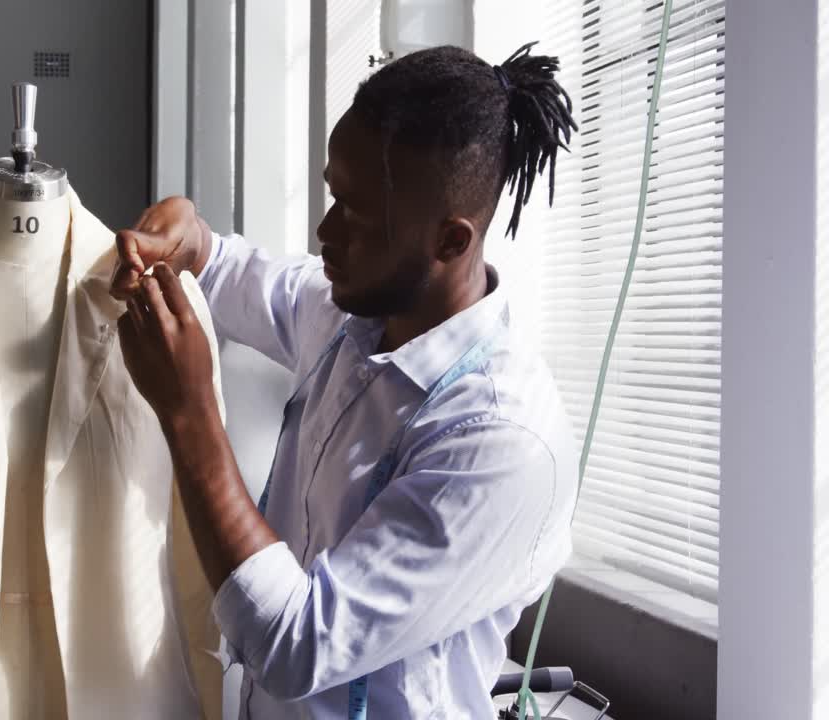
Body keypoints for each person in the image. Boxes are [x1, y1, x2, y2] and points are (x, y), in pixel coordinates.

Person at [110, 43, 581, 719]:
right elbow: (240, 274)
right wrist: (194, 241)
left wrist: (189, 411)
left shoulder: (501, 441)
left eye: (358, 217)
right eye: (334, 194)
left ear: (451, 241)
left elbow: (294, 644)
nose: (324, 232)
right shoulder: (355, 314)